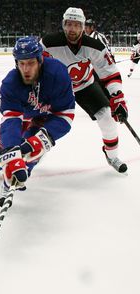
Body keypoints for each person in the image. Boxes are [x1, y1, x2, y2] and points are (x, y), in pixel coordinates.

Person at [0, 37, 75, 206]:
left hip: (47, 115)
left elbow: (65, 115)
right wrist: (10, 154)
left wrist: (39, 141)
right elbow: (10, 121)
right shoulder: (10, 83)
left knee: (32, 148)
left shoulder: (58, 74)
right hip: (25, 113)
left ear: (40, 61)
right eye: (21, 63)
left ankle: (15, 178)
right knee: (0, 146)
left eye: (30, 63)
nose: (26, 69)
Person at [41, 7, 128, 174]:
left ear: (83, 27)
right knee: (40, 124)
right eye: (69, 24)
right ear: (63, 25)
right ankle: (34, 154)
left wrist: (117, 96)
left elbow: (109, 73)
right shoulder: (48, 43)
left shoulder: (94, 45)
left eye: (77, 25)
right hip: (59, 90)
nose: (72, 29)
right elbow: (36, 66)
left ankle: (112, 156)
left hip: (85, 86)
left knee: (107, 118)